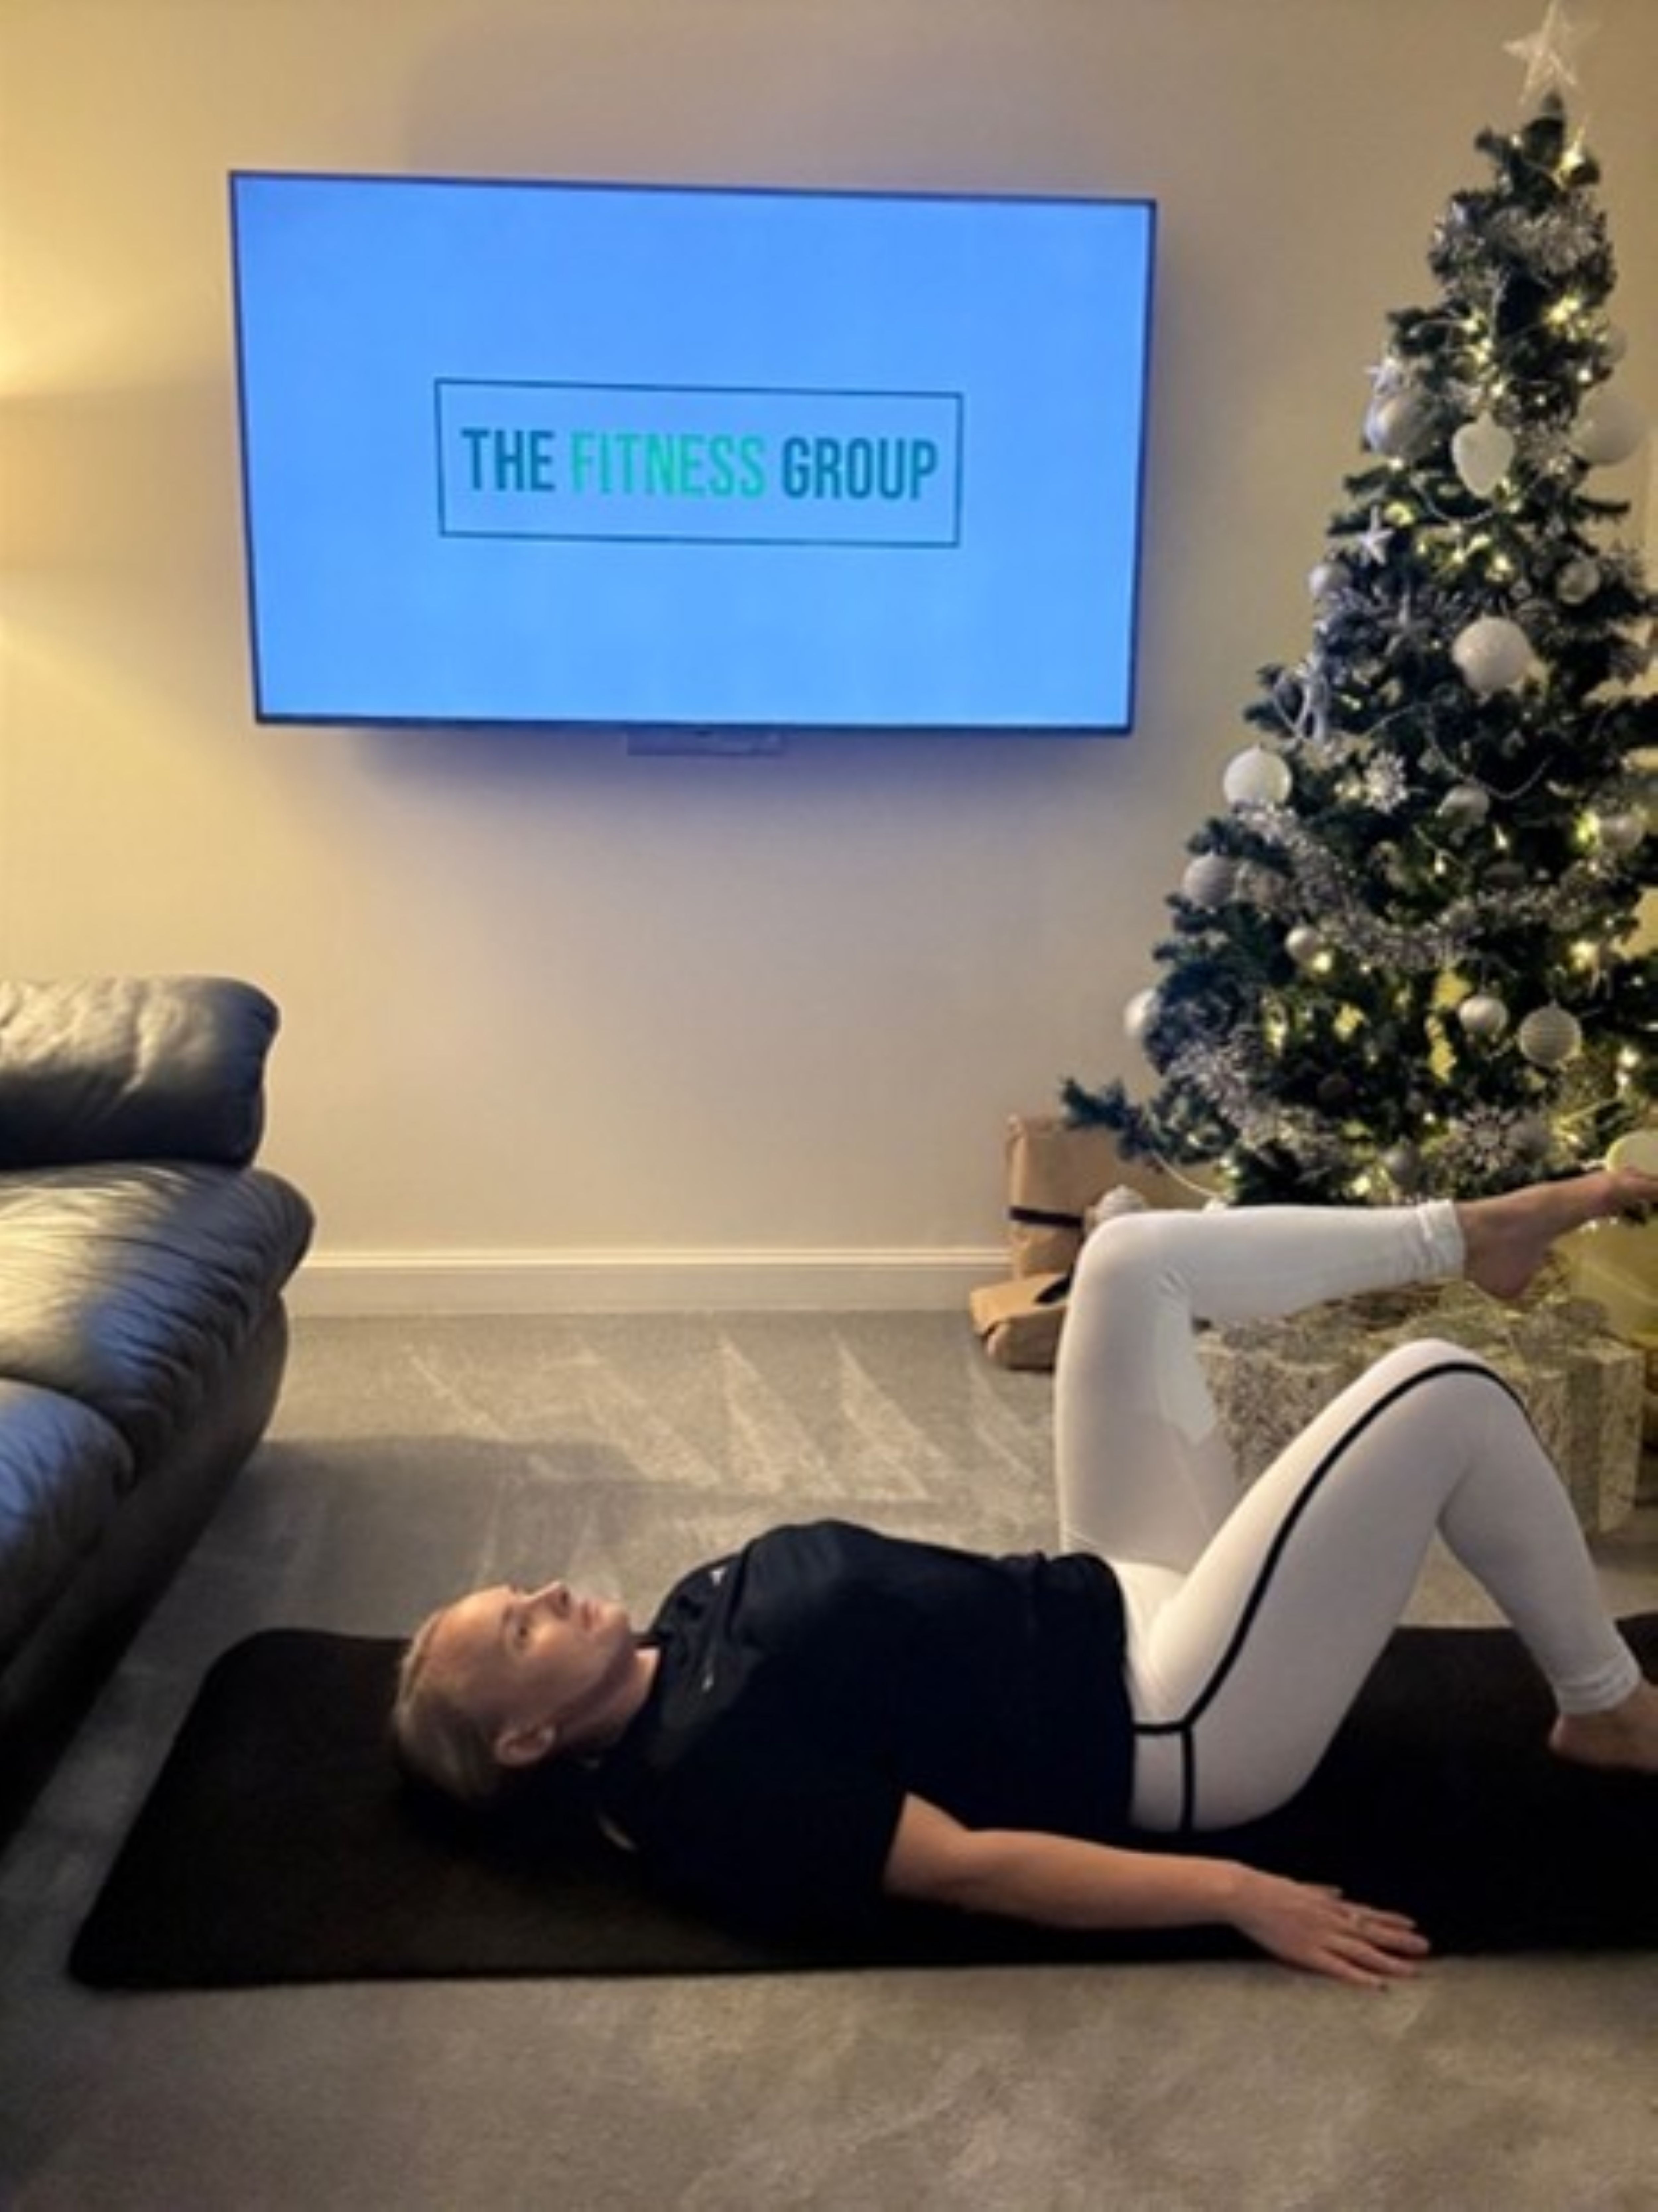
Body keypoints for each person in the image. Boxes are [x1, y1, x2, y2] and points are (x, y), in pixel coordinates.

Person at [392, 1166, 1658, 1988]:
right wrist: (1237, 1893)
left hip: (1109, 1587)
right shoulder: (705, 1775)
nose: (546, 1594)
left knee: (1126, 1260)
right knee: (1439, 1389)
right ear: (529, 1738)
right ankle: (1606, 1706)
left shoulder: (678, 1622)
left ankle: (1471, 1231)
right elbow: (970, 1867)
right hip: (1180, 1720)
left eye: (517, 1591)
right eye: (518, 1632)